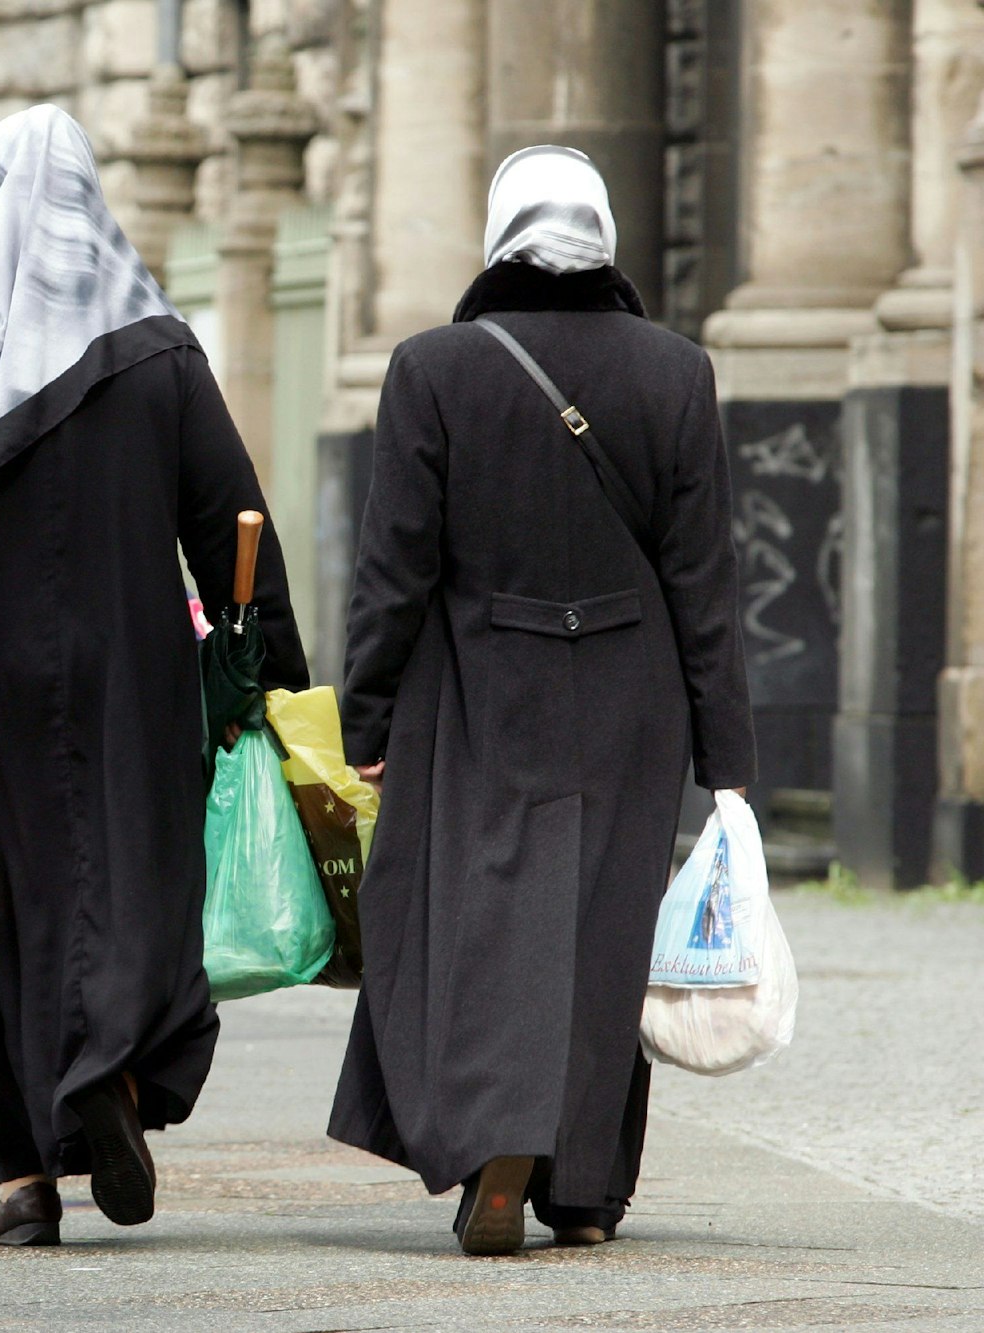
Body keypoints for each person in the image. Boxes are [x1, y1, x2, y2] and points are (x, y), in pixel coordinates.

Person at [0, 105, 306, 1246]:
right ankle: (111, 1074)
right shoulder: (158, 348)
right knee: (129, 873)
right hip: (126, 670)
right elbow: (227, 515)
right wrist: (269, 664)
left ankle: (21, 1173)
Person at [328, 145, 755, 1254]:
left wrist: (364, 719)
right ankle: (582, 1186)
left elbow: (393, 568)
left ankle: (494, 1144)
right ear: (602, 236)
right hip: (631, 692)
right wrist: (726, 762)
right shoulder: (676, 371)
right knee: (600, 926)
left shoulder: (433, 368)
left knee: (481, 914)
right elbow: (703, 579)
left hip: (478, 685)